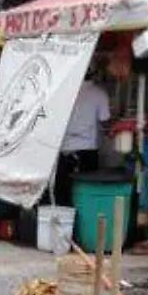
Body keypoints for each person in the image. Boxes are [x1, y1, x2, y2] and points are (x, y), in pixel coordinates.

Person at [54, 68, 111, 206]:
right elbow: (105, 121)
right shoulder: (99, 94)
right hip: (88, 150)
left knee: (63, 192)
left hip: (64, 149)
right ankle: (86, 221)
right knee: (88, 191)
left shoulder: (63, 92)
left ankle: (66, 223)